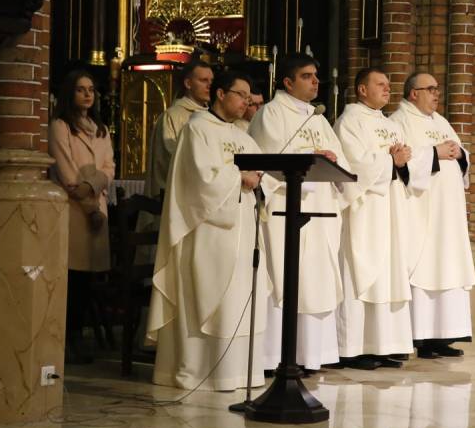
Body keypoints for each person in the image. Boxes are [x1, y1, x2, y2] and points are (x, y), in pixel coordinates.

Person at [146, 70, 270, 391]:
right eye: (240, 95)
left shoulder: (243, 136)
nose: (246, 103)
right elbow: (198, 181)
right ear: (220, 94)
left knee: (238, 299)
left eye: (249, 98)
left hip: (242, 229)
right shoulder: (197, 129)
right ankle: (200, 372)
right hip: (208, 231)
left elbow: (261, 175)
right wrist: (238, 178)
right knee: (208, 295)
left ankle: (238, 373)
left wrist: (258, 179)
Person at [248, 53, 346, 373]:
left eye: (316, 75)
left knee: (314, 279)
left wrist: (330, 159)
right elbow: (268, 160)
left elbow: (341, 163)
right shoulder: (271, 113)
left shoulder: (317, 118)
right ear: (288, 82)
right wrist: (310, 154)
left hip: (318, 208)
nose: (316, 81)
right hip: (285, 208)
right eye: (307, 76)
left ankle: (310, 355)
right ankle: (276, 357)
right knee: (286, 277)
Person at [333, 67, 431, 369]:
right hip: (366, 210)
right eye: (380, 84)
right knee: (362, 273)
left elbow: (409, 163)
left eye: (388, 85)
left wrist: (402, 161)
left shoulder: (389, 124)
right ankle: (355, 348)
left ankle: (385, 345)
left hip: (391, 209)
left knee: (389, 274)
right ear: (362, 89)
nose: (387, 89)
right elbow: (354, 165)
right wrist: (391, 160)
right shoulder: (349, 121)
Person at [390, 71, 475, 358]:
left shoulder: (440, 121)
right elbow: (402, 163)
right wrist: (434, 152)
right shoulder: (399, 121)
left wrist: (460, 154)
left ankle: (443, 336)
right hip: (422, 210)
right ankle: (423, 337)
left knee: (448, 265)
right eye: (431, 89)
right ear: (414, 93)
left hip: (448, 213)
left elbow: (460, 152)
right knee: (426, 267)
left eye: (437, 89)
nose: (437, 94)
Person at [48, 70, 115, 364]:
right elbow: (66, 172)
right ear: (69, 93)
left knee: (87, 278)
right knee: (71, 276)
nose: (88, 94)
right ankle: (67, 337)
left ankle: (77, 335)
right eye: (80, 89)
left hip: (95, 204)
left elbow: (109, 167)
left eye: (91, 89)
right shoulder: (60, 126)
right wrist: (89, 203)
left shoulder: (101, 129)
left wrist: (93, 184)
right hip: (75, 209)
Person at [143, 60, 214, 199]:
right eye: (203, 80)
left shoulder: (213, 117)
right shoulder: (173, 116)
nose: (209, 86)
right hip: (178, 194)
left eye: (211, 81)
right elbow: (172, 158)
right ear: (188, 84)